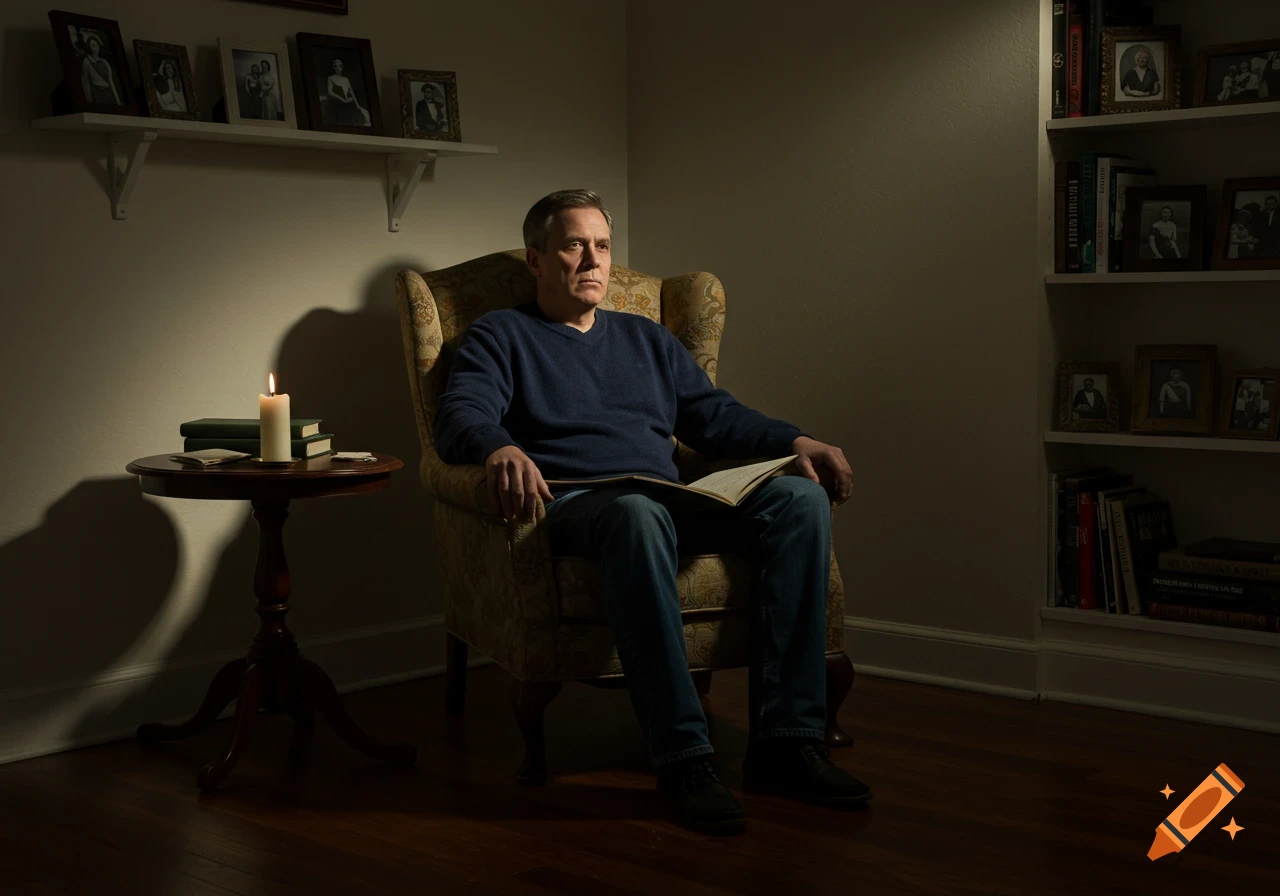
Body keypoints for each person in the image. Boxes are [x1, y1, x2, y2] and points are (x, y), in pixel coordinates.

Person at [433, 190, 867, 834]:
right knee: (637, 513)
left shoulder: (647, 339)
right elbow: (459, 414)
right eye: (574, 245)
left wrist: (795, 441)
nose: (593, 260)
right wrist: (498, 446)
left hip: (668, 497)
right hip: (581, 505)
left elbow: (715, 417)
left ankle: (786, 743)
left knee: (798, 498)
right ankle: (684, 757)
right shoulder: (502, 336)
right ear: (536, 258)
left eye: (602, 246)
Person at [325, 58, 370, 126]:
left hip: (348, 102)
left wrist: (357, 105)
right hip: (338, 103)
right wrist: (342, 99)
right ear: (333, 67)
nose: (338, 68)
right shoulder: (331, 78)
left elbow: (351, 92)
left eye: (340, 66)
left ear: (342, 67)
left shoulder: (345, 79)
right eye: (335, 66)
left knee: (364, 116)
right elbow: (330, 92)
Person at [79, 34, 122, 106]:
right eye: (90, 45)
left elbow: (111, 82)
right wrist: (89, 99)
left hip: (109, 95)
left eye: (94, 45)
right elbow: (85, 81)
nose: (92, 48)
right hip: (98, 95)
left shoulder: (104, 62)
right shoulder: (87, 61)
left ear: (99, 47)